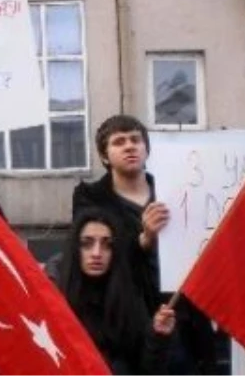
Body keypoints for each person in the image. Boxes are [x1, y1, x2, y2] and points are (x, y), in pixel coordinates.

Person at [72, 115, 217, 375]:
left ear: (146, 149)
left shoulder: (175, 189)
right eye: (119, 142)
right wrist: (144, 240)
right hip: (124, 317)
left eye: (135, 140)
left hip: (179, 316)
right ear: (105, 157)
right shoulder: (90, 198)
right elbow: (92, 258)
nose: (129, 146)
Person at [59, 209, 176, 375]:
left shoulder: (128, 299)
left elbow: (147, 369)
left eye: (107, 245)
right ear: (75, 249)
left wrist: (157, 335)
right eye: (87, 244)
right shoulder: (57, 300)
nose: (96, 253)